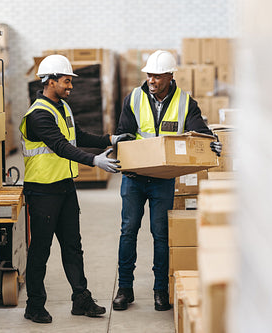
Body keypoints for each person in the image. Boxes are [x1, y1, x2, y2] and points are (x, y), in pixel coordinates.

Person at [19, 54, 134, 323]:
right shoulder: (38, 114)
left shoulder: (62, 107)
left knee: (73, 246)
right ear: (50, 81)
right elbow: (61, 146)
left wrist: (111, 138)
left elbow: (77, 136)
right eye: (66, 81)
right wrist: (94, 161)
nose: (71, 87)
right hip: (42, 191)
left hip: (64, 188)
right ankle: (34, 305)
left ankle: (80, 299)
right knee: (41, 250)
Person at [112, 50, 222, 311]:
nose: (152, 80)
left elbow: (200, 133)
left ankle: (160, 290)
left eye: (158, 76)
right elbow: (123, 135)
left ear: (171, 76)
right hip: (134, 178)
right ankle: (124, 289)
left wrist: (212, 144)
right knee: (128, 231)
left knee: (161, 235)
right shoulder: (134, 98)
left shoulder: (185, 102)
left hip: (162, 180)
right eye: (149, 75)